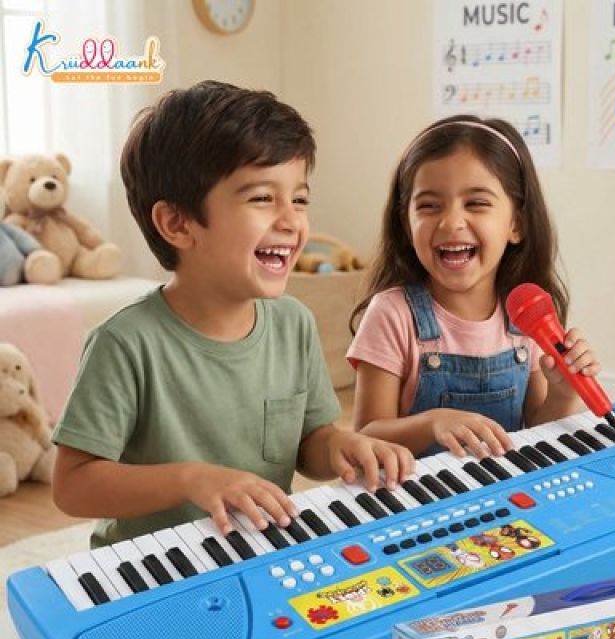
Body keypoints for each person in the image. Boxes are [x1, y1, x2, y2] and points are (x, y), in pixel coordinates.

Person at [52, 80, 414, 547]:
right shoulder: (124, 344)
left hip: (258, 549)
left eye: (299, 199)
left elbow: (310, 442)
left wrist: (341, 446)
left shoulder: (293, 324)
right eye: (262, 198)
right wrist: (191, 480)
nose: (291, 221)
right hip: (156, 566)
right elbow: (72, 485)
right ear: (178, 223)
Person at [347, 114, 601, 459]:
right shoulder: (392, 313)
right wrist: (432, 423)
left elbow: (536, 432)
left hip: (506, 487)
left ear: (516, 224)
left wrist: (563, 392)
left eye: (476, 203)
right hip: (420, 489)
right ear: (406, 224)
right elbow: (366, 437)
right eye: (429, 206)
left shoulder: (527, 317)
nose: (451, 221)